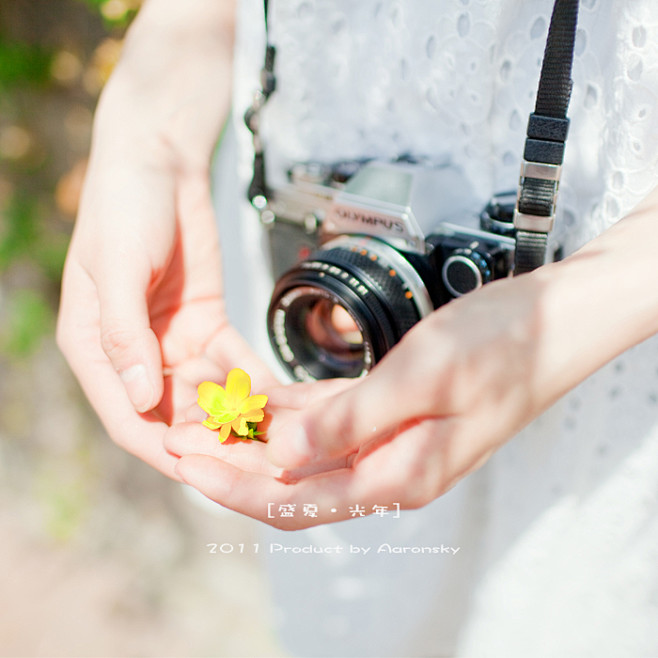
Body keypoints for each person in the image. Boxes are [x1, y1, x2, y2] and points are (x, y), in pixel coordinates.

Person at [58, 0, 658, 655]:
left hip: (611, 338)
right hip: (313, 97)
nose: (334, 327)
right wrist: (152, 131)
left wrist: (585, 303)